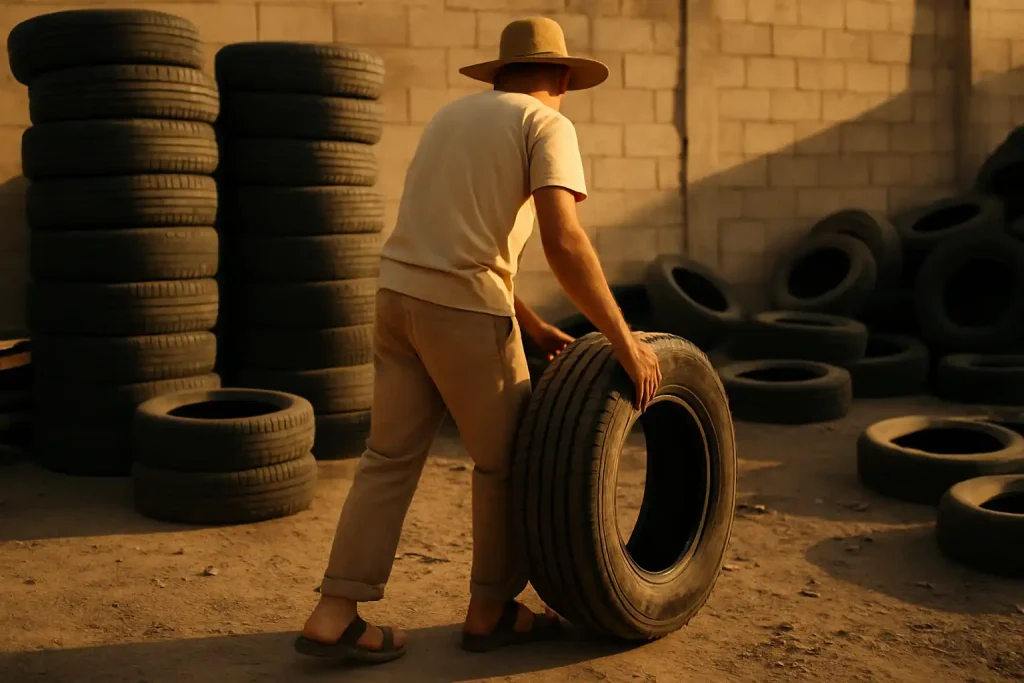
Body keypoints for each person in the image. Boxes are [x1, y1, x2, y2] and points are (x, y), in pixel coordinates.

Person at [294, 16, 662, 663]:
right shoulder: (549, 124)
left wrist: (528, 320)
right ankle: (490, 608)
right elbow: (564, 240)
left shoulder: (449, 119)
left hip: (397, 300)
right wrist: (624, 340)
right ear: (564, 78)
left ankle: (334, 612)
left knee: (387, 457)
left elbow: (450, 237)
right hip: (463, 311)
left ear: (499, 74)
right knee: (512, 459)